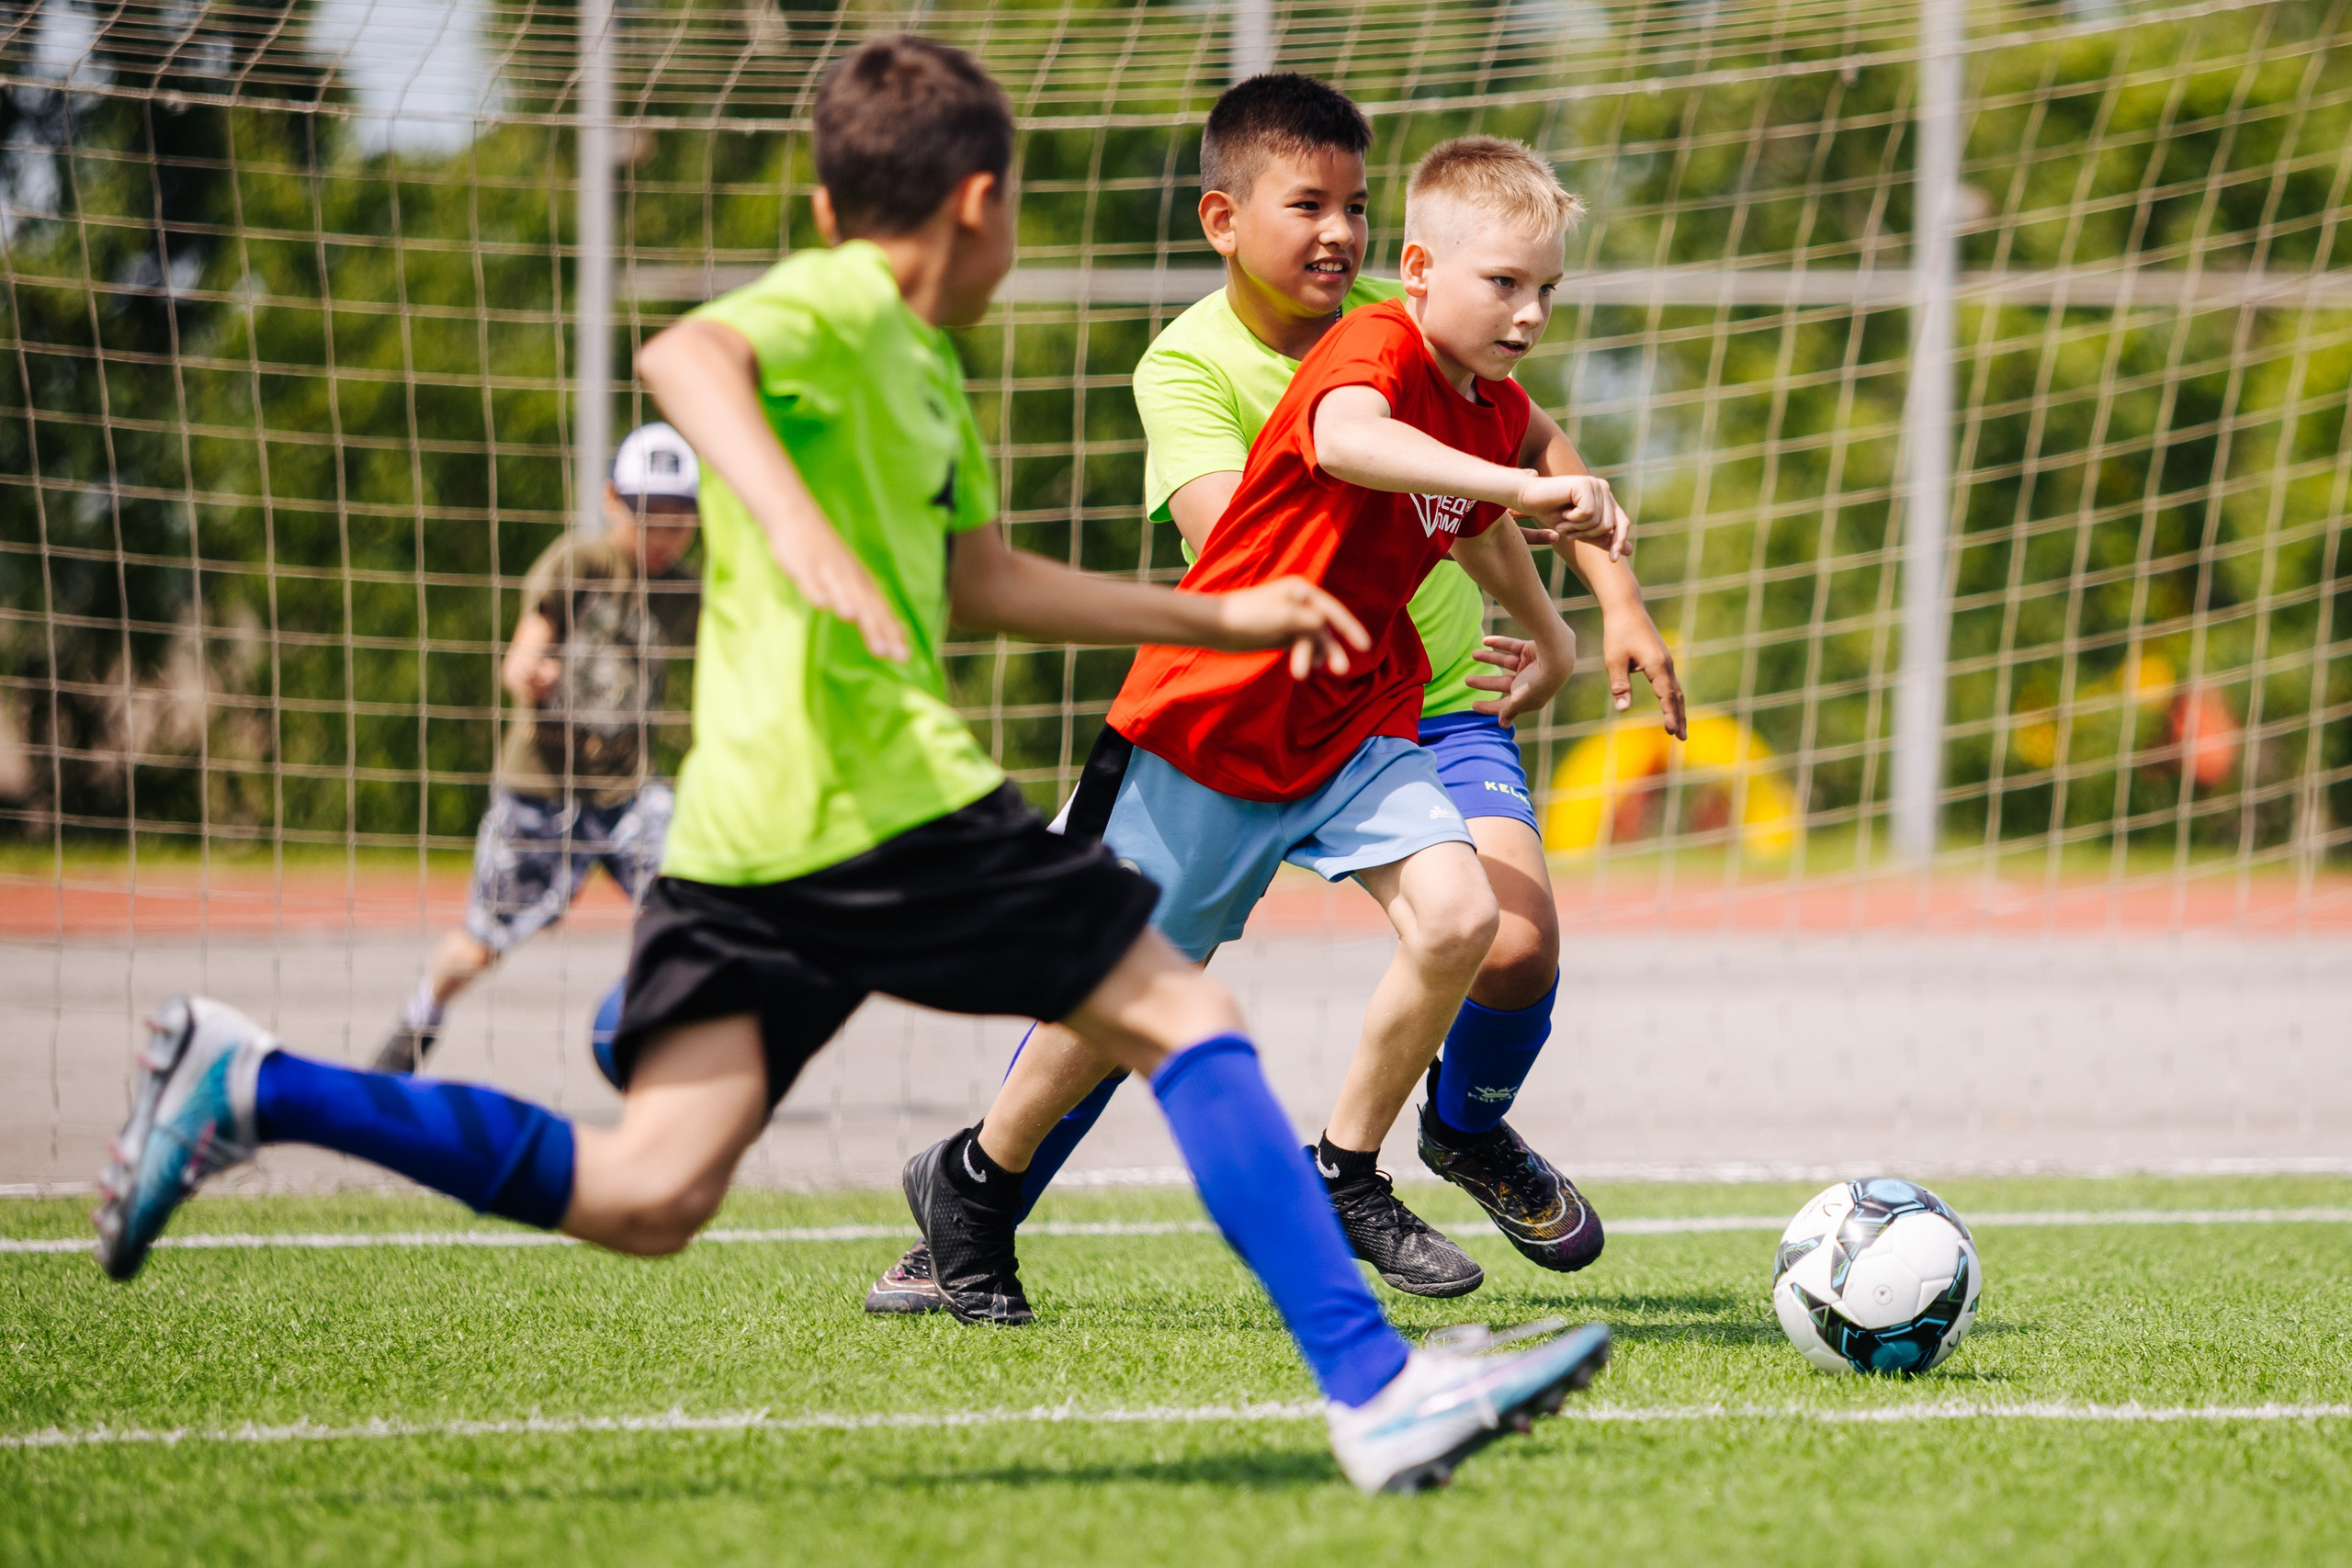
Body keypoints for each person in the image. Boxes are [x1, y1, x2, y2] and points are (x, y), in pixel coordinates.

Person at [89, 37, 1610, 1496]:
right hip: (886, 801)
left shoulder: (933, 380)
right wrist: (797, 525)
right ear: (979, 203)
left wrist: (1216, 612)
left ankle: (256, 1082)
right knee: (1181, 1009)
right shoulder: (841, 307)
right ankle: (1376, 1388)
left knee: (649, 1193)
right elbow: (684, 355)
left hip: (752, 840)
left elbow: (982, 584)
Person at [867, 85, 1685, 1319]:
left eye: (1546, 292)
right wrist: (1511, 489)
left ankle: (1349, 1169)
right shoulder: (1364, 348)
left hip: (1366, 721)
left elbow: (1486, 504)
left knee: (1468, 919)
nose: (1529, 315)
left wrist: (1565, 624)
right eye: (1507, 284)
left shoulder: (1491, 403)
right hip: (1216, 725)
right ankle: (974, 1187)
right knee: (1122, 996)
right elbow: (1356, 445)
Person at [373, 423, 702, 1075]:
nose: (663, 536)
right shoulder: (579, 562)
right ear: (613, 499)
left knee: (689, 898)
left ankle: (658, 1032)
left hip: (628, 788)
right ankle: (420, 1019)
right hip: (542, 789)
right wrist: (527, 668)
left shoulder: (686, 590)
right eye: (650, 517)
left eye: (680, 520)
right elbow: (527, 642)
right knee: (480, 943)